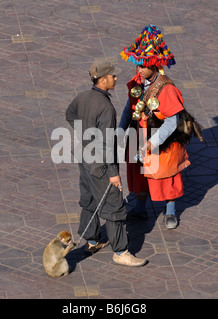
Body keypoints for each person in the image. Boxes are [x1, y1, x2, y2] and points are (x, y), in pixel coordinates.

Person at [65, 60, 147, 267]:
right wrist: (113, 173)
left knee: (90, 199)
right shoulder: (106, 108)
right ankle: (120, 251)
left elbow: (70, 114)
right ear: (102, 80)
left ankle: (92, 240)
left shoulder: (82, 96)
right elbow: (108, 144)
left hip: (84, 158)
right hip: (101, 164)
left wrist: (84, 133)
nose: (116, 78)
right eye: (112, 76)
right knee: (115, 206)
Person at [119, 25, 190, 229]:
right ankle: (140, 208)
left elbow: (172, 120)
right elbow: (128, 107)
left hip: (161, 139)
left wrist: (152, 143)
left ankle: (170, 210)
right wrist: (120, 130)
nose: (138, 70)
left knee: (167, 175)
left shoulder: (166, 89)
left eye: (143, 66)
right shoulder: (138, 82)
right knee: (140, 174)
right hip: (138, 135)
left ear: (154, 65)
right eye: (137, 65)